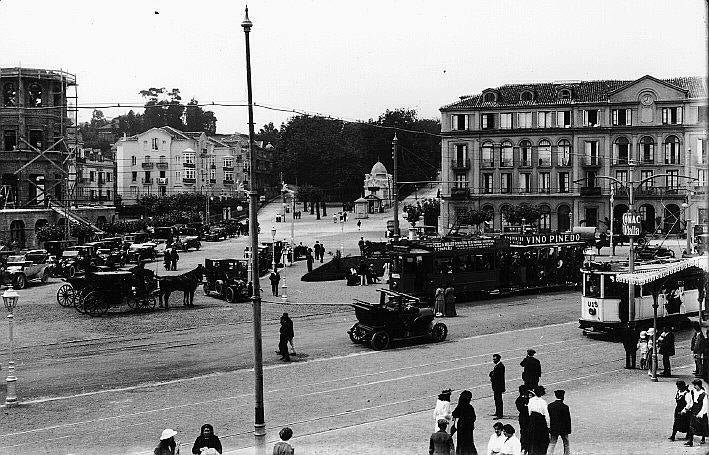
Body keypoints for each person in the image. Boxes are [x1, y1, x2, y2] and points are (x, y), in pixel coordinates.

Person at [451, 390, 477, 455]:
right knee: (470, 443)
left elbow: (454, 414)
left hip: (461, 429)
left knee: (461, 444)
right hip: (468, 430)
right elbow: (474, 418)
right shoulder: (470, 407)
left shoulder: (460, 407)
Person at [684, 379, 709, 446]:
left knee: (702, 425)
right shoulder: (692, 392)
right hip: (694, 410)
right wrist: (686, 408)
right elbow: (691, 402)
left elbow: (705, 405)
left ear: (699, 385)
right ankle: (690, 441)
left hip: (701, 411)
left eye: (695, 385)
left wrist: (701, 413)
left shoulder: (704, 394)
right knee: (691, 425)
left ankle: (703, 438)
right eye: (694, 385)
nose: (694, 387)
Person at [526, 386, 549, 455]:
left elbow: (529, 411)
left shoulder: (531, 400)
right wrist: (548, 425)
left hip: (533, 420)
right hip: (540, 421)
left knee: (532, 438)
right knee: (541, 438)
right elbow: (546, 414)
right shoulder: (543, 402)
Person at [547, 389, 571, 455]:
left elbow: (548, 417)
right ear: (563, 397)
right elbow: (568, 420)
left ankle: (549, 454)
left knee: (552, 443)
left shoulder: (550, 406)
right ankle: (567, 454)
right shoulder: (565, 407)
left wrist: (549, 428)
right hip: (564, 428)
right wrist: (569, 430)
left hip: (554, 427)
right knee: (566, 443)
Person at [489, 354, 505, 419]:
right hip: (497, 386)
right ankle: (497, 412)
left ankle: (500, 414)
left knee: (498, 400)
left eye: (495, 359)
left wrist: (492, 375)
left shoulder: (500, 366)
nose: (494, 360)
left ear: (498, 359)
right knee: (496, 399)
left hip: (498, 386)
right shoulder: (498, 366)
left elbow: (496, 376)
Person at [514, 386, 530, 453]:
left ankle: (523, 447)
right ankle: (528, 446)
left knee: (523, 432)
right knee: (528, 431)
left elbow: (520, 409)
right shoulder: (529, 399)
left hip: (522, 417)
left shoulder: (518, 400)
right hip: (528, 417)